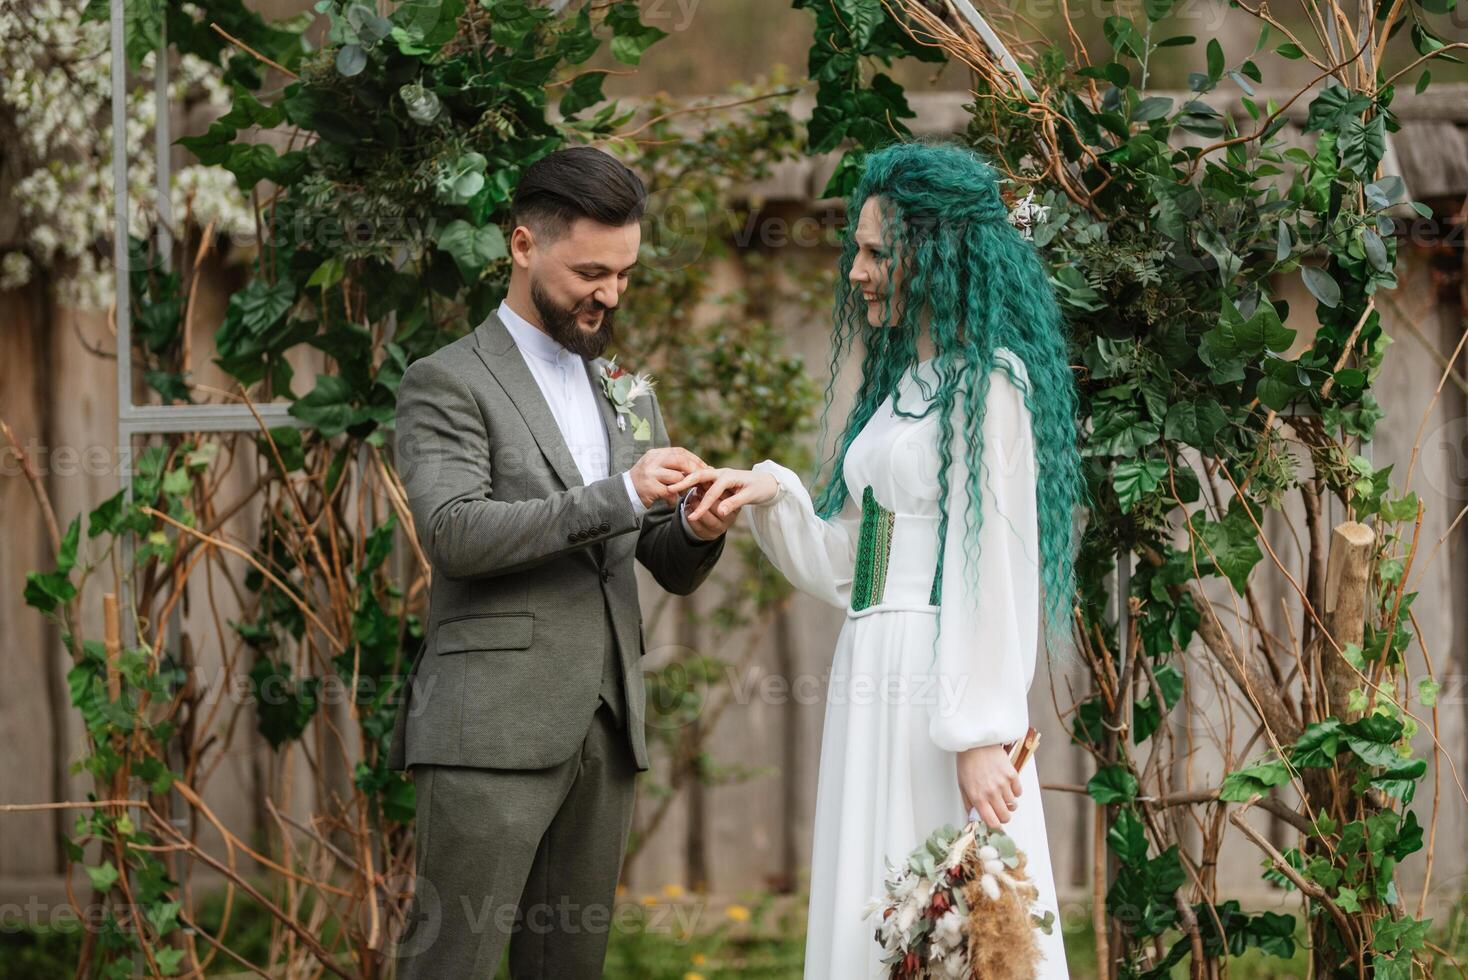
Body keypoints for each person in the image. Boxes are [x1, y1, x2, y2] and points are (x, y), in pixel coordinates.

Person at [674, 141, 1082, 978]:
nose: (855, 272)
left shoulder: (990, 386)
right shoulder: (910, 387)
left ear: (934, 256)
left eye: (875, 253)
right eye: (856, 250)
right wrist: (769, 495)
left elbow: (991, 571)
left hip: (939, 696)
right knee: (877, 901)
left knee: (959, 927)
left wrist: (978, 733)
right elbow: (854, 569)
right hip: (873, 672)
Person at [388, 146, 736, 978]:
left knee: (566, 966)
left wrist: (694, 525)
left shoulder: (623, 384)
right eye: (589, 271)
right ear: (521, 247)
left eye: (623, 273)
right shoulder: (447, 382)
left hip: (605, 725)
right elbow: (455, 533)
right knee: (453, 964)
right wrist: (620, 494)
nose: (609, 294)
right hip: (489, 729)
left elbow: (653, 555)